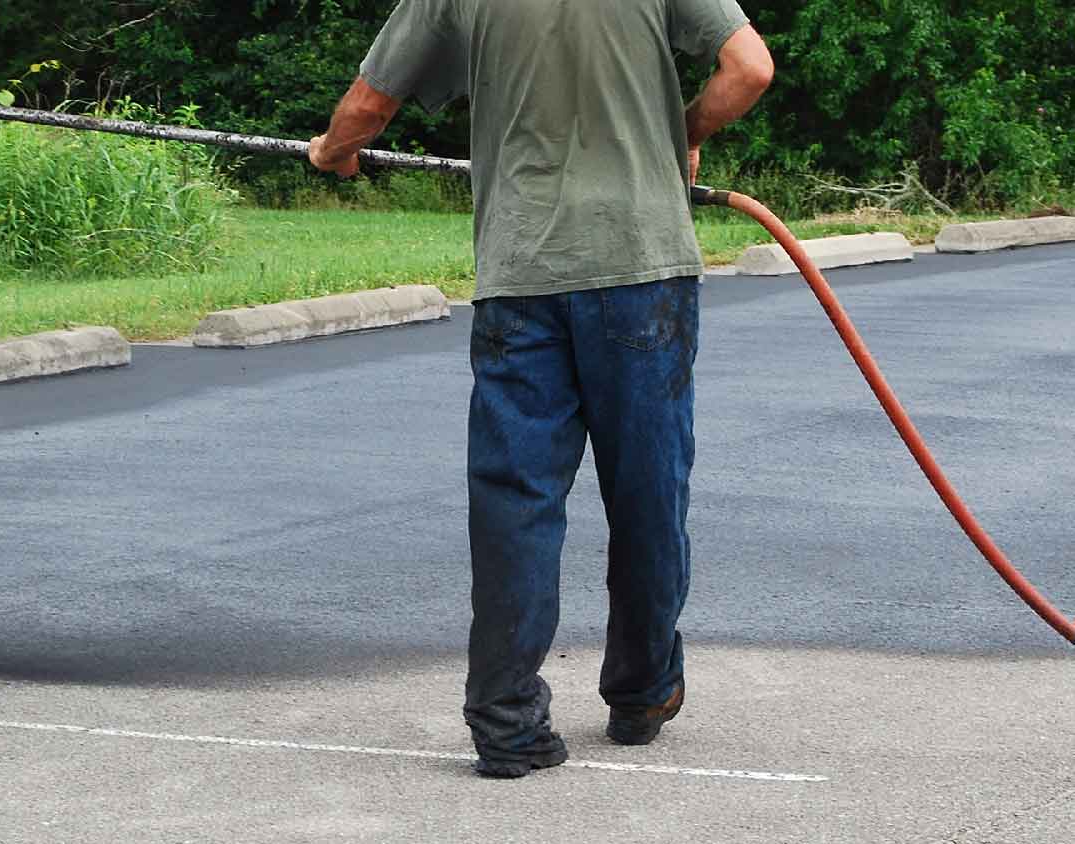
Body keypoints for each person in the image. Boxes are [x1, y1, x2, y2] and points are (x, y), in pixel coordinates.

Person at [309, 0, 774, 778]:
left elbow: (367, 105)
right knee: (648, 493)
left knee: (514, 501)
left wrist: (332, 152)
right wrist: (679, 135)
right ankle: (641, 691)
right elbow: (750, 68)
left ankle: (506, 723)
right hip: (642, 271)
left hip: (521, 278)